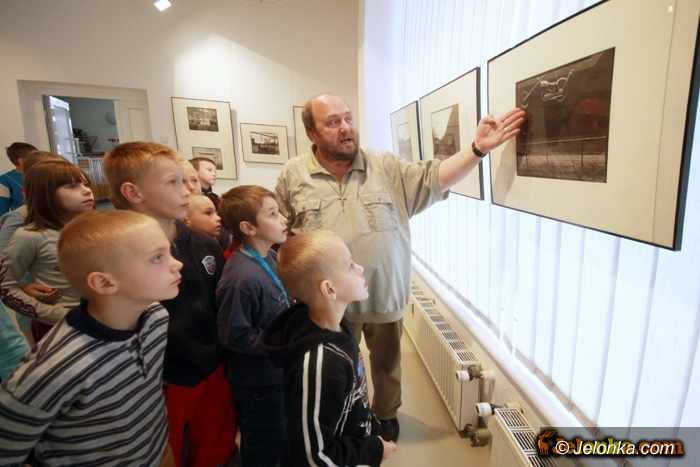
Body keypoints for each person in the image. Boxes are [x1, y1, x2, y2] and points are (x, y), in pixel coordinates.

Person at [274, 94, 525, 441]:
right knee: (332, 367)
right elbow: (280, 231)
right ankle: (343, 419)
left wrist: (477, 149)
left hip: (383, 291)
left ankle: (386, 416)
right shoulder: (293, 174)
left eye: (348, 118)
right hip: (326, 301)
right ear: (312, 133)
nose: (346, 128)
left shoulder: (385, 166)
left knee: (387, 363)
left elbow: (435, 177)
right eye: (333, 122)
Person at [0, 209, 181, 466]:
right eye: (157, 258)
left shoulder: (156, 318)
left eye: (169, 252)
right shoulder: (54, 369)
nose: (177, 263)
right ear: (104, 283)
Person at [104, 141, 236, 467]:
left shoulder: (204, 244)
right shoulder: (114, 251)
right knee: (164, 450)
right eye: (173, 182)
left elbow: (217, 304)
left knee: (215, 446)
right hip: (157, 378)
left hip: (211, 366)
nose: (187, 190)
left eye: (187, 181)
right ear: (133, 192)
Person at [261, 230, 398, 467]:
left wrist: (371, 427)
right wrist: (372, 450)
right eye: (350, 265)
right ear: (329, 289)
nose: (360, 268)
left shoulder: (339, 328)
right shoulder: (321, 364)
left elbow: (353, 396)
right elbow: (314, 456)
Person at [216, 185, 289, 467]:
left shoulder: (269, 255)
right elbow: (234, 335)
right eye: (273, 214)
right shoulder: (241, 278)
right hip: (259, 381)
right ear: (248, 227)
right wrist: (283, 341)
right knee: (264, 443)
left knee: (280, 437)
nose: (283, 219)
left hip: (277, 372)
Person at [0, 160, 95, 342]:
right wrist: (56, 314)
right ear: (45, 194)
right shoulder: (30, 236)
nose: (87, 191)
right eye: (72, 186)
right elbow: (5, 287)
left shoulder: (98, 228)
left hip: (106, 319)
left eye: (85, 184)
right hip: (61, 328)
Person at [0, 142, 37, 215]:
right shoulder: (4, 180)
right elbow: (2, 213)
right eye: (35, 157)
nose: (40, 160)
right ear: (21, 161)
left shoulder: (42, 174)